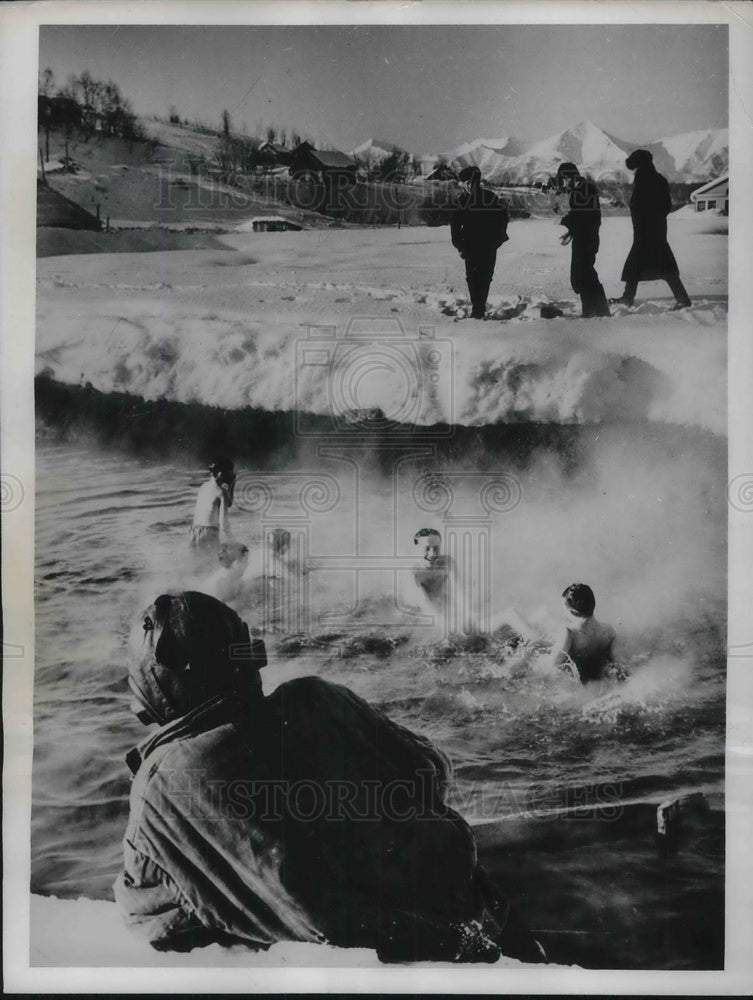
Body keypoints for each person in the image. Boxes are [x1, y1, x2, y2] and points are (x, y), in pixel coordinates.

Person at [115, 591, 545, 963]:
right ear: (245, 652)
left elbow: (313, 918)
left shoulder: (165, 784)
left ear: (150, 701)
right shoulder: (316, 695)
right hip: (479, 911)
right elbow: (430, 769)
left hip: (429, 946)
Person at [612, 149, 692, 310]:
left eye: (634, 167)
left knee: (637, 265)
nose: (634, 170)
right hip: (657, 231)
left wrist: (625, 204)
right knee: (661, 264)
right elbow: (665, 206)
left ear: (639, 165)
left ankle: (628, 299)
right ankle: (681, 298)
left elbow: (638, 206)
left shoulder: (643, 179)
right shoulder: (659, 179)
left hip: (644, 232)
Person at [451, 166, 509, 320]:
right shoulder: (460, 202)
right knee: (472, 278)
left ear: (475, 182)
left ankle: (479, 309)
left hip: (488, 245)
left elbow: (503, 218)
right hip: (469, 246)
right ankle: (478, 309)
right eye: (466, 183)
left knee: (485, 277)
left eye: (471, 182)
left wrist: (498, 239)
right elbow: (455, 228)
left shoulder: (490, 198)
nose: (468, 185)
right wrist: (460, 247)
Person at [556, 162, 611, 318]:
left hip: (587, 239)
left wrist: (563, 220)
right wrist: (570, 232)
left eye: (564, 180)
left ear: (568, 177)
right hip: (585, 238)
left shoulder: (583, 189)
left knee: (585, 275)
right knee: (585, 275)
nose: (564, 184)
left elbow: (582, 217)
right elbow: (582, 217)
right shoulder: (582, 188)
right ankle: (596, 310)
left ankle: (594, 311)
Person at [544, 583, 616, 683]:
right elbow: (614, 662)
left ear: (572, 611)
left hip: (575, 681)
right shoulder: (609, 631)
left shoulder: (569, 632)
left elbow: (551, 666)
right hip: (595, 678)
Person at [190, 457, 236, 551]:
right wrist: (233, 541)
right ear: (221, 474)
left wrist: (231, 486)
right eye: (230, 472)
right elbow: (224, 524)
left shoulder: (203, 487)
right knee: (212, 563)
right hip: (210, 533)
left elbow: (228, 503)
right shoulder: (221, 492)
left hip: (195, 530)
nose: (232, 474)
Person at [412, 528, 454, 610]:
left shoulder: (447, 563)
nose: (432, 554)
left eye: (436, 549)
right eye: (427, 549)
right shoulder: (416, 572)